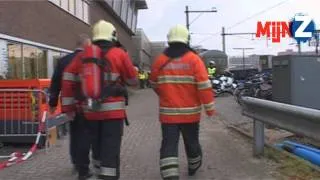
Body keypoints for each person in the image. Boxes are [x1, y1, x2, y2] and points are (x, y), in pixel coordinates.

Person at [61, 20, 137, 180]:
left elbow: (67, 80)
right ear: (112, 36)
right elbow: (133, 80)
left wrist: (68, 109)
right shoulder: (119, 53)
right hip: (113, 114)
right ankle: (108, 176)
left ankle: (96, 173)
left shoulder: (82, 56)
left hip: (90, 112)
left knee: (96, 147)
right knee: (111, 149)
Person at [150, 24, 215, 180]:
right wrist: (209, 108)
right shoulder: (194, 60)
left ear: (169, 40)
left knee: (168, 146)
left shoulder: (160, 60)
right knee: (192, 143)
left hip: (168, 114)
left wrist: (164, 94)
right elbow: (204, 86)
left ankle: (170, 176)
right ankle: (193, 167)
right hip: (190, 114)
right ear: (187, 40)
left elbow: (153, 83)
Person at [48, 34, 90, 173]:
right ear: (85, 45)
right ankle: (83, 165)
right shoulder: (88, 60)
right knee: (85, 134)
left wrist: (53, 103)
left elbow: (55, 84)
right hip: (86, 105)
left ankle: (75, 162)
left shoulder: (63, 61)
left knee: (75, 133)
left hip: (69, 105)